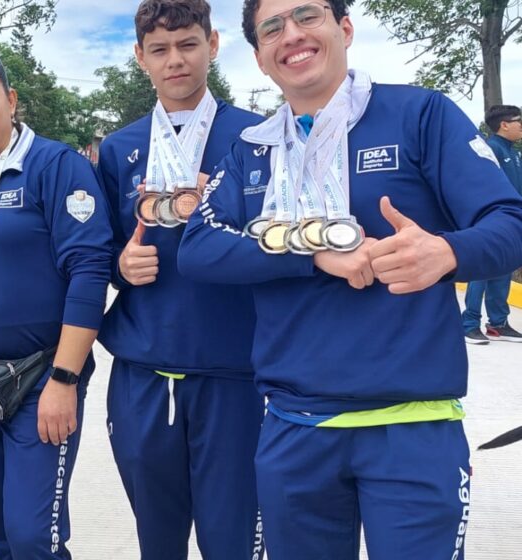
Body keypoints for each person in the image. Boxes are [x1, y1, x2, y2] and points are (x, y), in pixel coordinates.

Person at [178, 1, 522, 558]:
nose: (290, 35)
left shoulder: (421, 114)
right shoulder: (252, 148)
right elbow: (198, 247)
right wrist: (307, 251)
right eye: (272, 28)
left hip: (411, 428)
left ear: (344, 29)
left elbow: (510, 223)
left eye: (306, 16)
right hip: (295, 427)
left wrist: (444, 252)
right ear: (261, 58)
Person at [95, 1, 265, 557]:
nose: (176, 61)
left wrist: (217, 214)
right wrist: (122, 264)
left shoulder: (259, 136)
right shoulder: (120, 148)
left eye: (188, 45)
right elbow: (100, 250)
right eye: (160, 50)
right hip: (144, 371)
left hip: (233, 372)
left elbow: (282, 245)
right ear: (140, 57)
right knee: (157, 543)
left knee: (232, 541)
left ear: (213, 45)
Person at [0, 49, 112, 559]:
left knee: (34, 537)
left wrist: (65, 380)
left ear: (11, 100)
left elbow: (88, 272)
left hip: (39, 381)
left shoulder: (56, 166)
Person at [462, 104, 522, 344]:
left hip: (513, 219)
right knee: (482, 270)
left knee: (504, 269)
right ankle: (469, 323)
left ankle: (498, 323)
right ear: (504, 124)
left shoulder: (514, 152)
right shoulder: (488, 148)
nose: (521, 126)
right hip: (491, 217)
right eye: (518, 120)